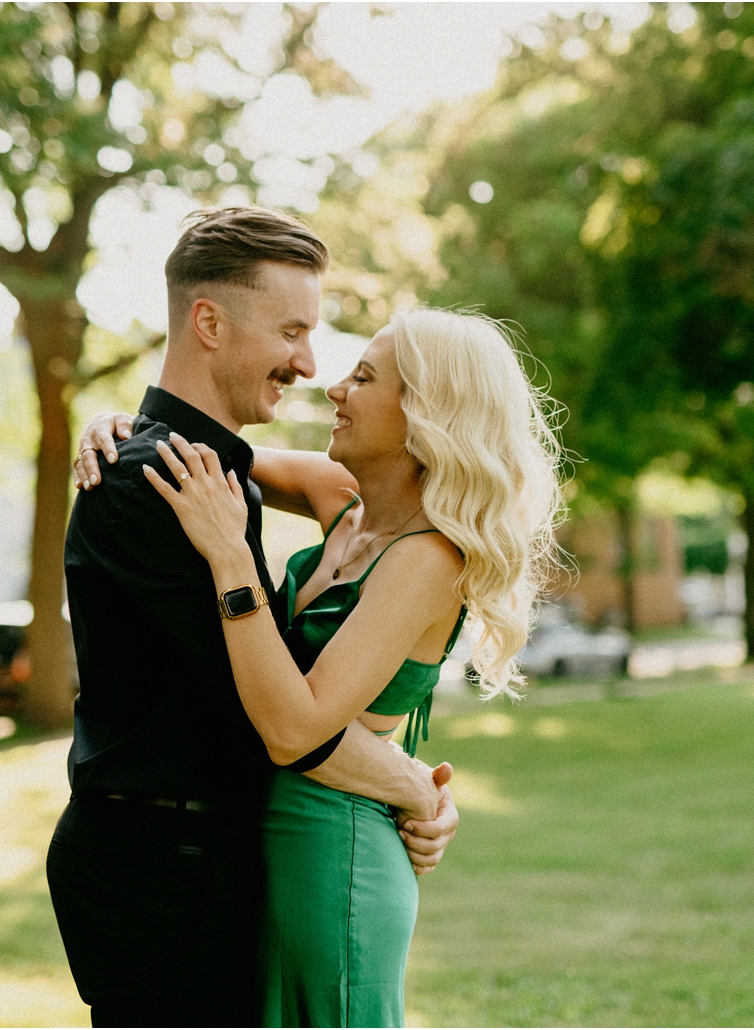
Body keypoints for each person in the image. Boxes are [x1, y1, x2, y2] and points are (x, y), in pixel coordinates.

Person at [77, 307, 564, 1026]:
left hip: (333, 856)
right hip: (260, 844)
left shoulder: (428, 558)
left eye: (363, 377)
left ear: (424, 413)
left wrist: (232, 559)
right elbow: (194, 450)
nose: (334, 387)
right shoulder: (341, 501)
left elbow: (294, 727)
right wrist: (118, 426)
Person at [46, 208, 461, 1029]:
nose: (312, 365)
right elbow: (267, 719)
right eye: (292, 331)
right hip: (161, 870)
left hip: (215, 854)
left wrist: (126, 418)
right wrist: (410, 785)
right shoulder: (153, 487)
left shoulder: (214, 472)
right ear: (209, 322)